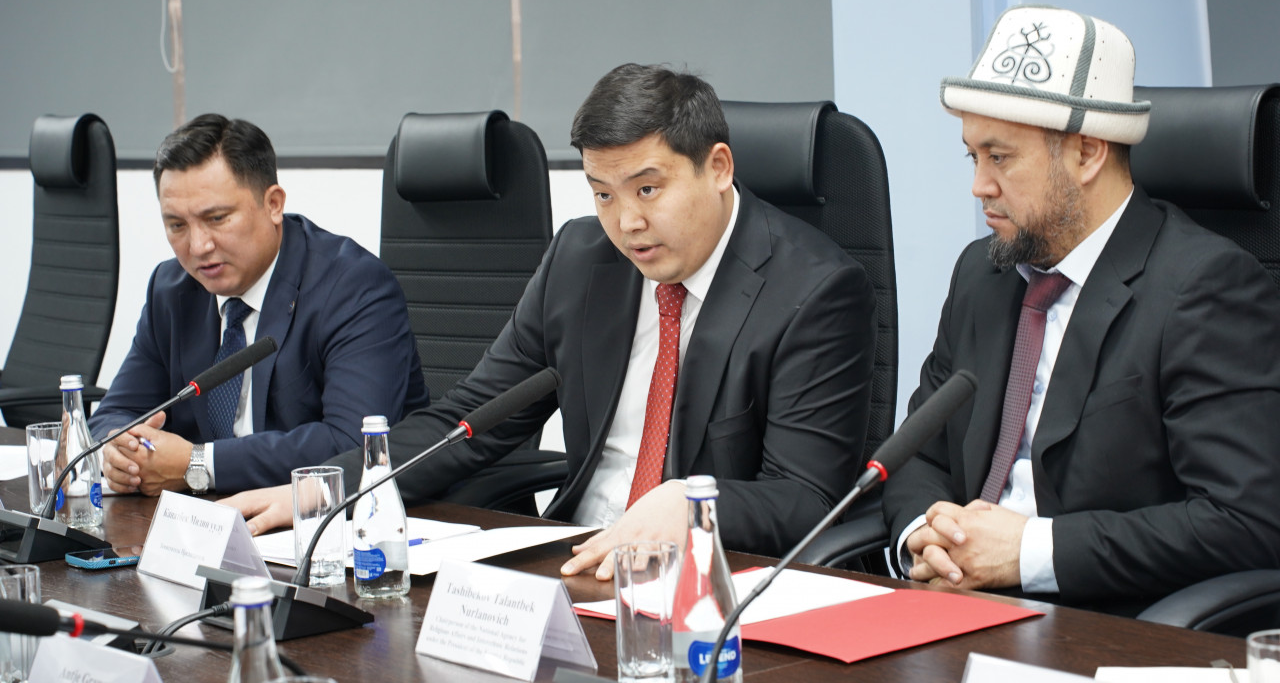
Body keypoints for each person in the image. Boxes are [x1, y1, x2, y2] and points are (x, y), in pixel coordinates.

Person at [224, 63, 877, 579]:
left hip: (711, 579)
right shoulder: (581, 260)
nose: (627, 222)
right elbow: (472, 418)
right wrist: (332, 489)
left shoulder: (814, 290)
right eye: (603, 194)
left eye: (648, 189)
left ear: (718, 168)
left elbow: (805, 498)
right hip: (574, 559)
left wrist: (692, 502)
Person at [882, 5, 1280, 613]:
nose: (979, 186)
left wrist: (1028, 552)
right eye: (973, 157)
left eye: (1000, 157)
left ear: (1088, 154)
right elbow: (917, 452)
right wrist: (924, 535)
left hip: (1101, 622)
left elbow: (1243, 521)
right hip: (951, 604)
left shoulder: (1204, 287)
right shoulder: (981, 273)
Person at [91, 114, 429, 495]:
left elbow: (353, 444)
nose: (198, 246)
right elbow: (113, 415)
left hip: (328, 517)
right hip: (207, 518)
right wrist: (120, 454)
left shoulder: (353, 287)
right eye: (177, 225)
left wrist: (198, 464)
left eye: (216, 218)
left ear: (273, 204)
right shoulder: (171, 290)